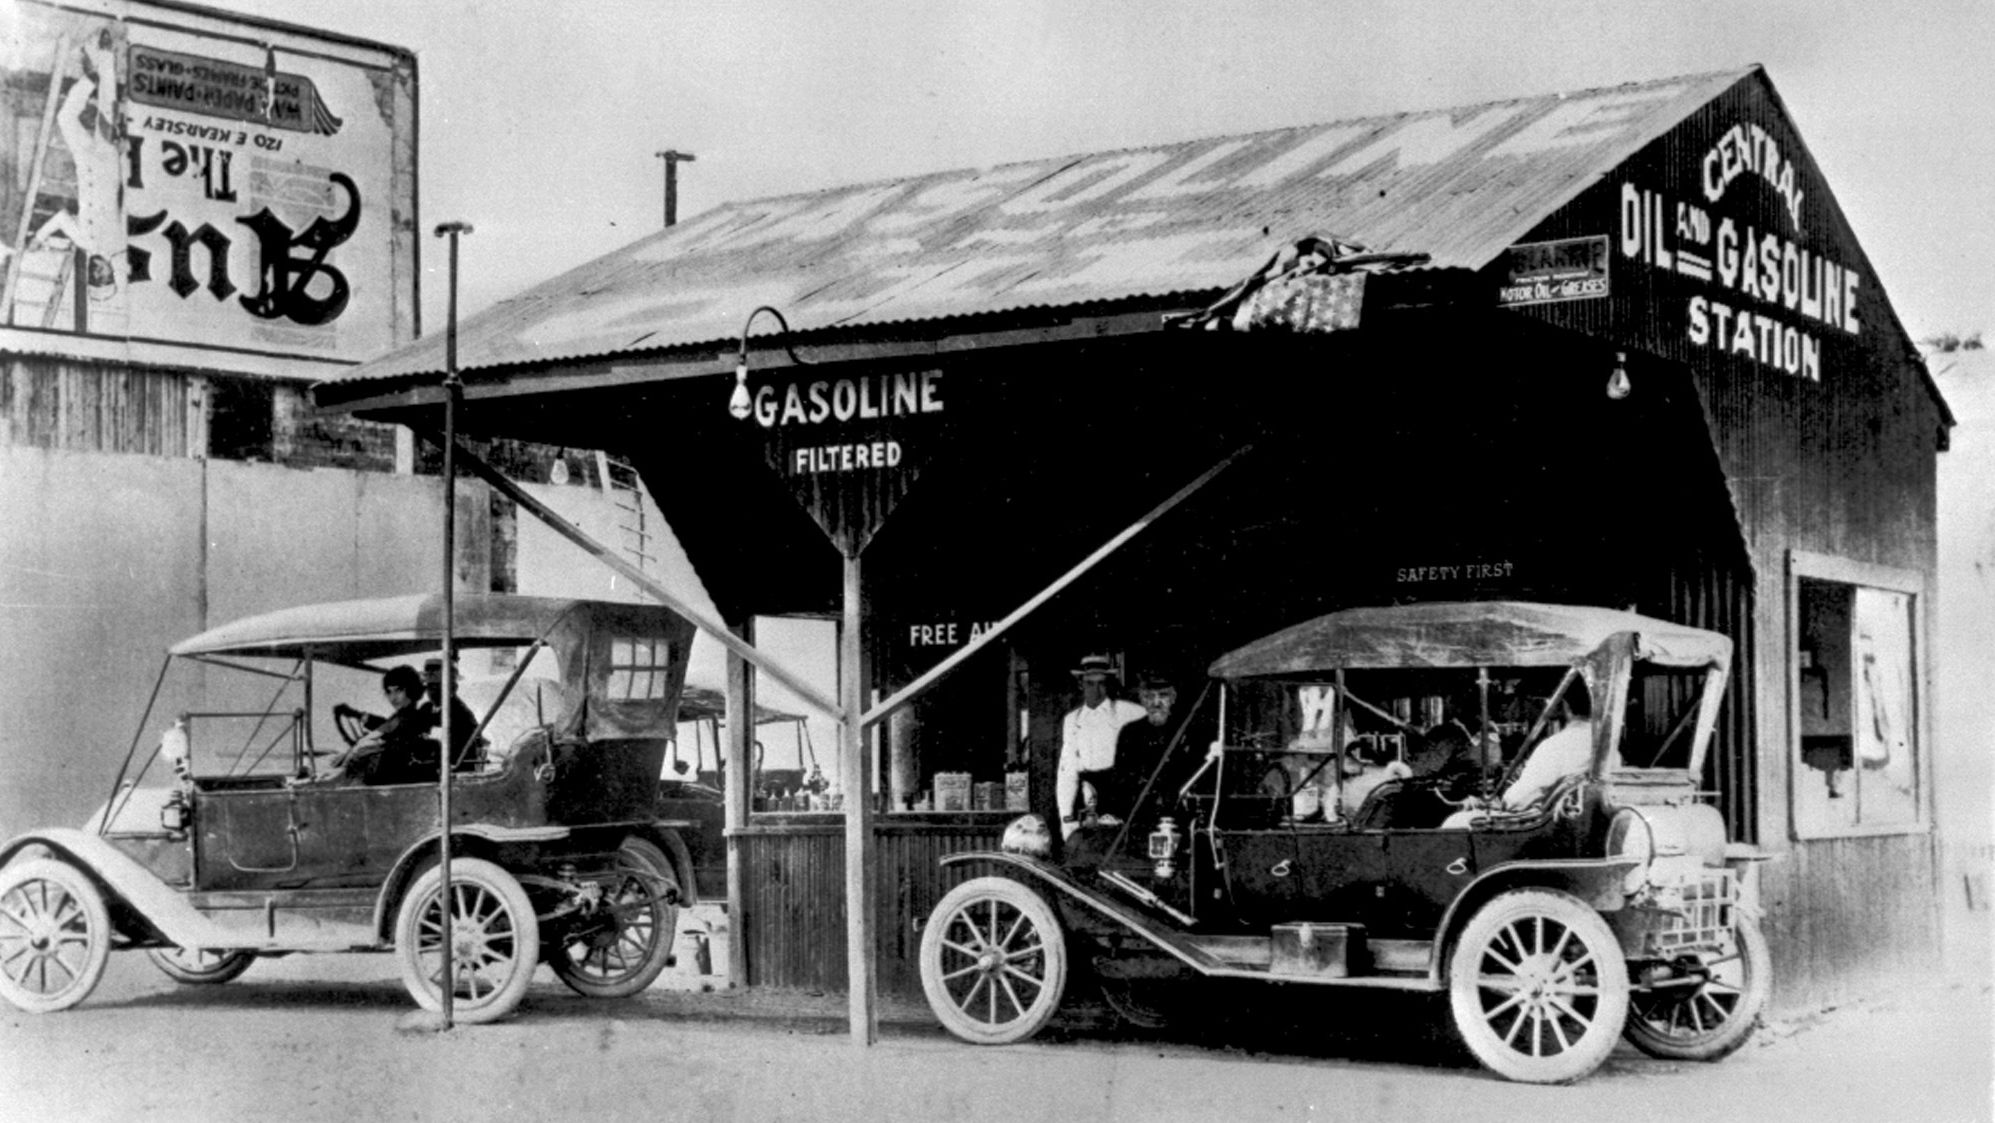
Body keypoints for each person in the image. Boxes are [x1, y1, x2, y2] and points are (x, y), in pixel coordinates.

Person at [1055, 654, 1145, 838]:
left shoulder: (1130, 712)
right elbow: (1067, 770)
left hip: (1127, 799)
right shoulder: (1072, 720)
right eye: (1089, 684)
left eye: (1101, 683)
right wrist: (1066, 817)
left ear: (1109, 684)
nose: (1096, 690)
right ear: (1081, 684)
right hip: (1090, 801)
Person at [328, 666, 436, 785]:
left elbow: (388, 727)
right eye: (389, 692)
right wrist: (357, 715)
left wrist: (358, 746)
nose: (393, 698)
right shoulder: (399, 717)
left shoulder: (413, 717)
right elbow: (385, 725)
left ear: (411, 689)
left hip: (396, 777)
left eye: (398, 690)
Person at [421, 657, 482, 771]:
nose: (431, 692)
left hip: (450, 774)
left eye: (438, 686)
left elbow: (464, 754)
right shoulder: (426, 709)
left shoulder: (461, 714)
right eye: (429, 687)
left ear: (452, 688)